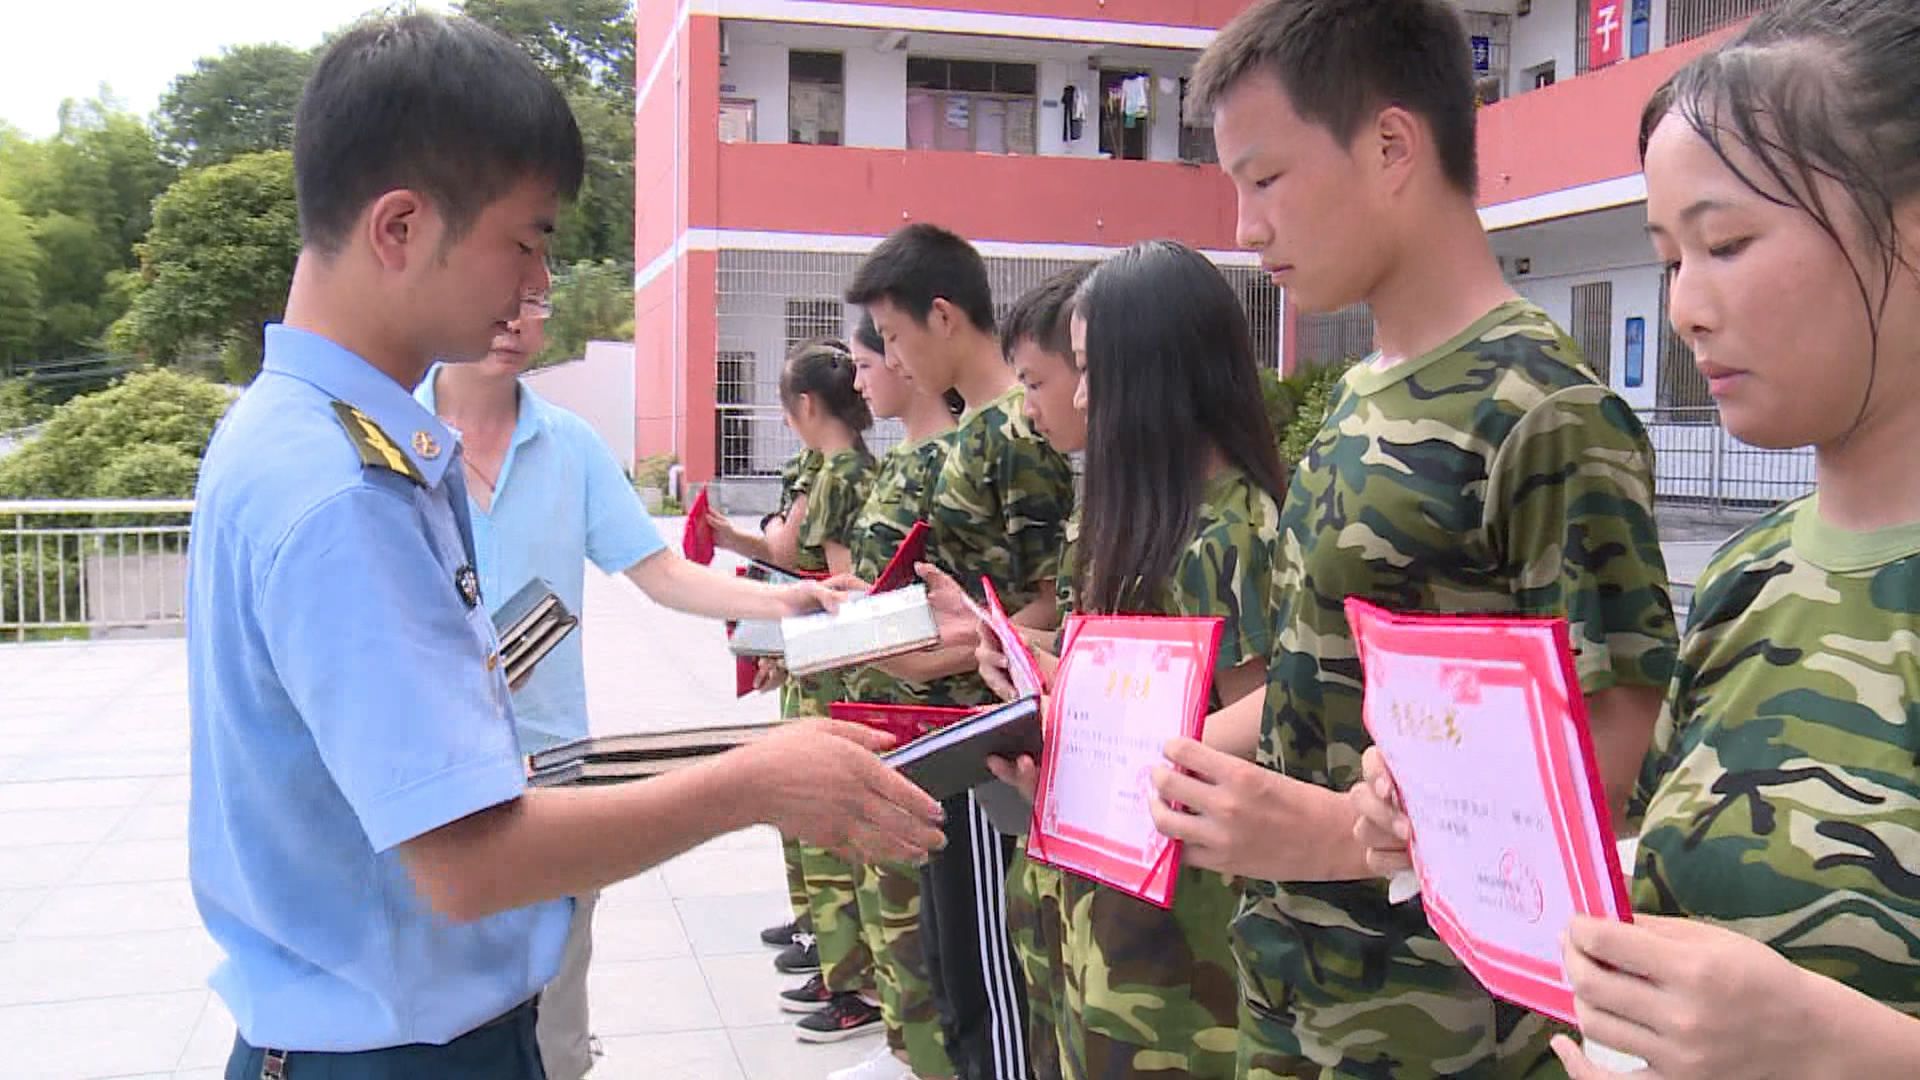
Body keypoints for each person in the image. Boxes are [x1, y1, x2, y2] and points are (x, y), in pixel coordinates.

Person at [185, 15, 943, 1078]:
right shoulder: (338, 489)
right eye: (527, 239)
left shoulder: (307, 435)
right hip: (394, 1052)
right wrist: (755, 782)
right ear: (401, 227)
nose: (534, 283)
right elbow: (466, 864)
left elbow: (650, 571)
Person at [1351, 2, 1920, 1076]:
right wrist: (1468, 819)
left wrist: (1837, 1046)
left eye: (1728, 244)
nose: (1687, 310)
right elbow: (1664, 873)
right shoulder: (1751, 576)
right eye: (1668, 258)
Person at [1146, 1, 1680, 1075]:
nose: (1248, 230)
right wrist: (1162, 755)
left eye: (1267, 179)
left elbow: (1608, 759)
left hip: (1444, 1019)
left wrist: (1326, 835)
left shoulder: (1541, 409)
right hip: (1293, 978)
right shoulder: (1354, 398)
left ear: (1391, 146)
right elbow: (1316, 667)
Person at [417, 289, 846, 1079]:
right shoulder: (389, 440)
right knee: (438, 1015)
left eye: (535, 300)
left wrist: (787, 597)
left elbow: (659, 572)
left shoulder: (571, 445)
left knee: (555, 1013)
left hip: (551, 774)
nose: (512, 321)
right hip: (429, 778)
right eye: (498, 295)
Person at [989, 241, 1288, 1078]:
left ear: (1157, 373)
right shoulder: (1152, 518)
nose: (1083, 394)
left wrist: (1106, 744)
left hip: (1180, 940)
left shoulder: (1235, 531)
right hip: (1100, 901)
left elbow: (1272, 712)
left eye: (1093, 369)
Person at [848, 224, 1078, 1080]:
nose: (895, 359)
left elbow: (1052, 598)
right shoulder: (966, 437)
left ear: (943, 316)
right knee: (952, 964)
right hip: (950, 732)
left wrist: (941, 657)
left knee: (992, 980)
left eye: (898, 337)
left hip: (992, 738)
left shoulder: (1023, 432)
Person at [828, 312, 964, 1080]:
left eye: (868, 359)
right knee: (886, 895)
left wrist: (919, 654)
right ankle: (904, 1046)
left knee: (920, 910)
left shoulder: (961, 458)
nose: (858, 380)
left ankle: (930, 1057)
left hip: (923, 710)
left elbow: (1007, 600)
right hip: (874, 696)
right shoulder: (899, 461)